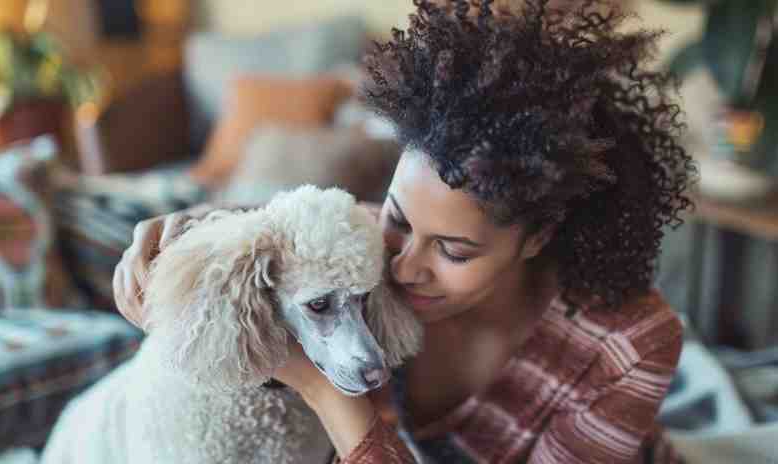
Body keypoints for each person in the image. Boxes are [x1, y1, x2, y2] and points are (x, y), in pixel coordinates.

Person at [113, 0, 695, 462]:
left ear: (538, 238)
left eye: (453, 251)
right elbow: (272, 230)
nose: (404, 265)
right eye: (398, 217)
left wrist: (322, 391)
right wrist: (195, 232)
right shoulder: (366, 254)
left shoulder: (629, 347)